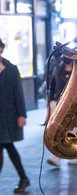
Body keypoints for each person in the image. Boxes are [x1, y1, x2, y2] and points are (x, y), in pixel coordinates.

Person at [0, 39, 30, 193]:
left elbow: (18, 93)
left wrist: (21, 115)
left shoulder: (11, 69)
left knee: (5, 146)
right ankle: (24, 178)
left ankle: (24, 179)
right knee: (8, 146)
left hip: (8, 115)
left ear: (1, 49)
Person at [47, 57, 77, 167]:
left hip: (74, 104)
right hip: (58, 102)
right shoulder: (57, 69)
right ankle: (56, 156)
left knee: (73, 129)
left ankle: (73, 154)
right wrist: (51, 100)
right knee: (57, 130)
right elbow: (51, 86)